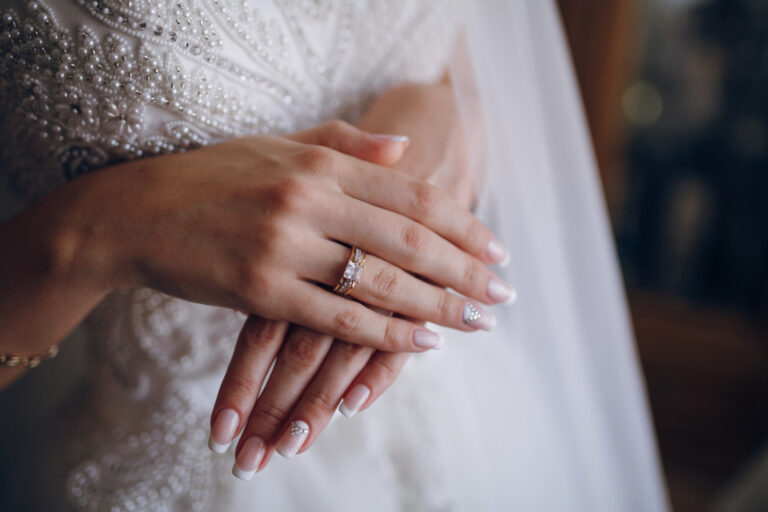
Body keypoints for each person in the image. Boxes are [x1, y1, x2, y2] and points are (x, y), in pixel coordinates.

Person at [0, 0, 668, 510]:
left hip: (480, 433)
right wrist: (93, 235)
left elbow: (471, 59)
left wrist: (437, 121)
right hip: (169, 459)